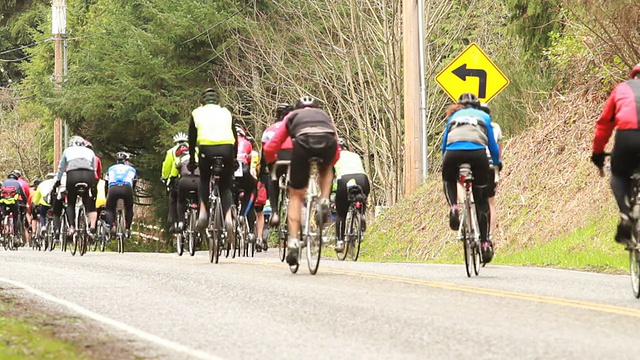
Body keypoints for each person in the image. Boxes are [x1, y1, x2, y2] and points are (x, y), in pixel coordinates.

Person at [264, 95, 340, 266]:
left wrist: (270, 162)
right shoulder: (324, 115)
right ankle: (324, 200)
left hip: (303, 144)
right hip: (327, 141)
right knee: (327, 168)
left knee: (296, 195)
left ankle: (292, 242)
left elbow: (272, 144)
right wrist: (330, 163)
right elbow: (336, 146)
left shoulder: (292, 116)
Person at [441, 93, 502, 263]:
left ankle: (453, 207)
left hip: (453, 153)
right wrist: (497, 162)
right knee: (482, 200)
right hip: (477, 154)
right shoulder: (484, 116)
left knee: (448, 180)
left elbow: (444, 143)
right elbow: (492, 145)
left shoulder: (453, 116)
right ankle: (484, 244)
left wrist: (446, 162)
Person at [591, 63, 640, 247]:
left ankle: (626, 214)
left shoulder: (622, 89)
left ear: (633, 76)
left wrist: (598, 153)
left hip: (626, 138)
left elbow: (604, 125)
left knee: (618, 175)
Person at [188, 88, 237, 242]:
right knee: (225, 186)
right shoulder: (226, 112)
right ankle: (228, 218)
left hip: (206, 149)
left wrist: (191, 159)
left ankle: (203, 211)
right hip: (227, 148)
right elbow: (234, 135)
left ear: (202, 102)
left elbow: (192, 138)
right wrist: (233, 158)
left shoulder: (197, 112)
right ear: (218, 101)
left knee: (204, 179)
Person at [53, 135, 97, 236]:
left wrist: (58, 180)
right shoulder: (90, 152)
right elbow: (94, 168)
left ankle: (72, 227)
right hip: (88, 175)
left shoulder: (67, 150)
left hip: (73, 175)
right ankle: (90, 223)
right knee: (88, 198)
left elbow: (61, 168)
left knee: (71, 202)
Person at [333, 137, 370, 252]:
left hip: (344, 179)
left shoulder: (334, 157)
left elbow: (329, 178)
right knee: (360, 197)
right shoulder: (355, 155)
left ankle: (340, 241)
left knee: (341, 213)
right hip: (362, 179)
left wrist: (330, 193)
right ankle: (361, 214)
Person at [261, 102, 294, 228]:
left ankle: (274, 212)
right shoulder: (296, 126)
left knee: (272, 178)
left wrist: (263, 171)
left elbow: (265, 151)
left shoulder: (269, 130)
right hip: (293, 157)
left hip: (277, 158)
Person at [478, 103, 503, 242]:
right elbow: (499, 150)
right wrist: (498, 164)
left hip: (472, 164)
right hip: (491, 166)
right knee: (490, 203)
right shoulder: (495, 127)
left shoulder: (471, 126)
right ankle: (489, 236)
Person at [104, 152, 138, 237]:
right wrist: (132, 192)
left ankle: (113, 225)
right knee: (129, 207)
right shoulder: (131, 169)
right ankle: (127, 228)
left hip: (113, 188)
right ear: (126, 161)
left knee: (109, 209)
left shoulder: (111, 168)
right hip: (127, 187)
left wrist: (106, 195)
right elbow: (134, 181)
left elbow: (106, 182)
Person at [233, 125, 257, 242]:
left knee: (229, 191)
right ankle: (243, 215)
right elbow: (249, 162)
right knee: (252, 189)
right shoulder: (247, 143)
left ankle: (230, 216)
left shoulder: (230, 141)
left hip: (231, 173)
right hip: (244, 171)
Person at [162, 132, 188, 232]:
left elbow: (167, 167)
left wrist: (165, 178)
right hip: (196, 177)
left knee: (174, 199)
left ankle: (174, 222)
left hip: (178, 178)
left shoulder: (171, 152)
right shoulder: (195, 149)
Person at [173, 142, 200, 231]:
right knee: (202, 200)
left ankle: (181, 222)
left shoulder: (180, 161)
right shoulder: (197, 159)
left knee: (180, 200)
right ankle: (201, 218)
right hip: (198, 181)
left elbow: (174, 174)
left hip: (184, 181)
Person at [0, 170, 30, 239]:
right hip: (14, 203)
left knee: (3, 215)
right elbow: (22, 194)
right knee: (16, 217)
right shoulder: (17, 183)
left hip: (4, 202)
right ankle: (16, 234)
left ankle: (3, 231)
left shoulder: (4, 182)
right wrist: (25, 202)